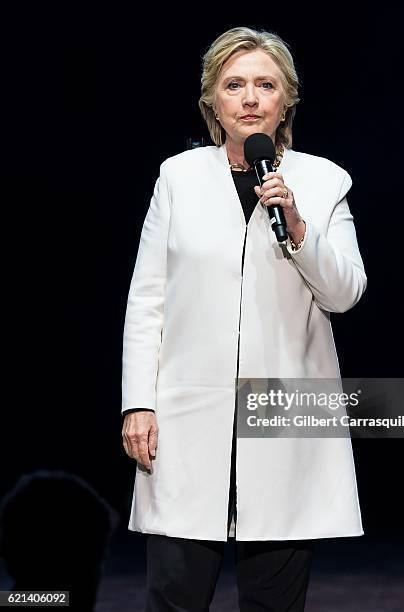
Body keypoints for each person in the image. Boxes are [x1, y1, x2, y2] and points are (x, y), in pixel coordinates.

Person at [121, 26, 367, 611]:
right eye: (235, 85)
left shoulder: (324, 181)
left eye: (265, 85)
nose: (250, 98)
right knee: (175, 597)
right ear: (212, 100)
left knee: (274, 602)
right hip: (187, 416)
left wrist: (300, 229)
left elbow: (345, 293)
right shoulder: (178, 178)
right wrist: (138, 400)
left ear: (287, 101)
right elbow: (147, 296)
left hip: (282, 416)